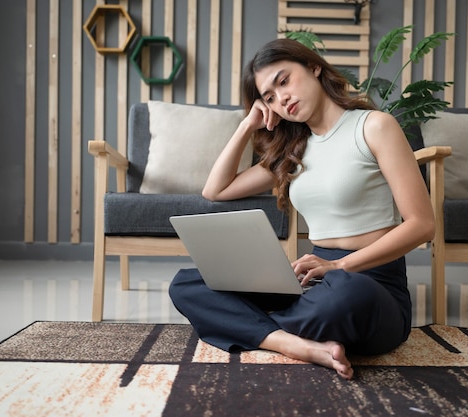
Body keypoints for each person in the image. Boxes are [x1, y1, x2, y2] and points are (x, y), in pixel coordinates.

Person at [169, 38, 435, 380]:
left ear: (313, 67)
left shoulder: (373, 127)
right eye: (269, 97)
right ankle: (292, 343)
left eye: (283, 81)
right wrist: (246, 125)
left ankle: (253, 328)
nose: (281, 98)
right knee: (187, 283)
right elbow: (216, 190)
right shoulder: (293, 151)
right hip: (312, 282)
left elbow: (422, 224)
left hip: (372, 284)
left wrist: (338, 265)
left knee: (346, 292)